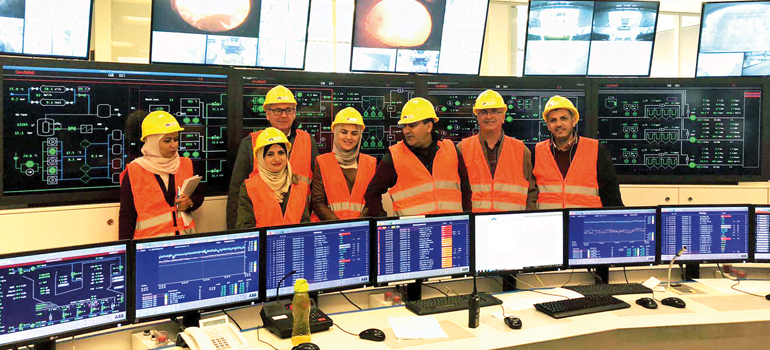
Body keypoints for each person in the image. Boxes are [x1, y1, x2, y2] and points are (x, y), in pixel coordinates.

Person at [227, 85, 318, 229]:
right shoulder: (250, 143)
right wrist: (234, 234)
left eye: (288, 110)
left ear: (294, 113)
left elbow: (316, 190)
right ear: (267, 114)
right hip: (260, 230)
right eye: (277, 110)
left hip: (298, 228)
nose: (283, 115)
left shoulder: (308, 141)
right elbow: (235, 194)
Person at [364, 97, 472, 216]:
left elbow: (466, 190)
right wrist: (383, 220)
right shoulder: (395, 156)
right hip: (413, 232)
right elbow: (372, 193)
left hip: (450, 229)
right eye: (404, 126)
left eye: (412, 125)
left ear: (429, 127)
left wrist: (467, 220)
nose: (406, 131)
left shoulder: (450, 149)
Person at [119, 111, 205, 240]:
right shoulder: (134, 170)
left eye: (176, 139)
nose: (174, 145)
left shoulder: (186, 164)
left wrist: (190, 203)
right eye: (167, 140)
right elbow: (127, 217)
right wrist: (126, 250)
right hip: (149, 246)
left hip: (185, 242)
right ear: (153, 141)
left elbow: (199, 195)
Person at [533, 96, 623, 209]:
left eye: (563, 118)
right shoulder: (537, 152)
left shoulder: (596, 150)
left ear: (574, 121)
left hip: (586, 222)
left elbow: (611, 197)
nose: (558, 124)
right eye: (553, 120)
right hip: (550, 223)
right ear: (548, 125)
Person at [458, 90, 537, 212]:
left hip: (512, 225)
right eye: (483, 112)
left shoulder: (521, 151)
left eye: (495, 111)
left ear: (503, 116)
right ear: (477, 117)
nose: (489, 116)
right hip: (475, 225)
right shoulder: (462, 149)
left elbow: (531, 194)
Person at [236, 127, 311, 228]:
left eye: (281, 153)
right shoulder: (249, 188)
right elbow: (245, 228)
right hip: (262, 243)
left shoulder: (300, 186)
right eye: (270, 154)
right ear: (261, 157)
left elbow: (305, 225)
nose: (277, 159)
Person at [312, 108, 376, 220]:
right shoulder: (322, 162)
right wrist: (341, 226)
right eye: (344, 132)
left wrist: (359, 225)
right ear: (336, 132)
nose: (349, 137)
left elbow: (373, 200)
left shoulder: (370, 163)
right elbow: (318, 203)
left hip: (361, 230)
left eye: (354, 133)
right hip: (330, 231)